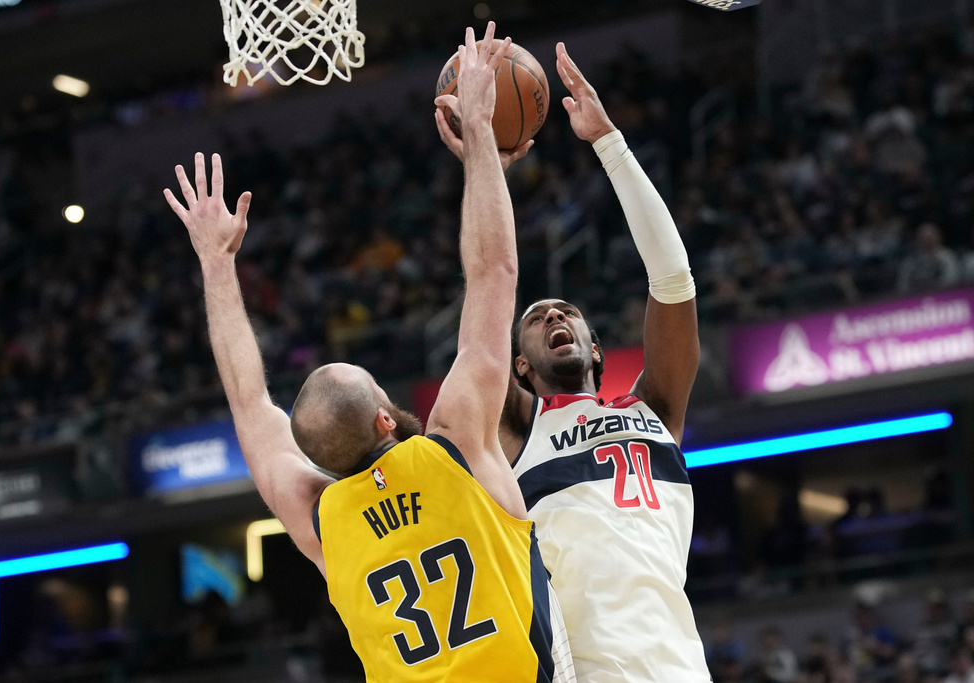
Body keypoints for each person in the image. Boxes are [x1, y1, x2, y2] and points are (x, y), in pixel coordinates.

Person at [164, 23, 573, 683]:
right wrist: (481, 148)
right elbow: (494, 274)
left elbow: (247, 403)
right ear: (387, 417)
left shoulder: (320, 517)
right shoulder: (454, 444)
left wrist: (216, 266)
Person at [438, 42, 709, 681]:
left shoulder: (655, 407)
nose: (553, 317)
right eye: (535, 320)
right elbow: (486, 289)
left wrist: (608, 141)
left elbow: (673, 278)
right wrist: (483, 158)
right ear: (521, 368)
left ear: (596, 348)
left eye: (566, 312)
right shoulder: (513, 429)